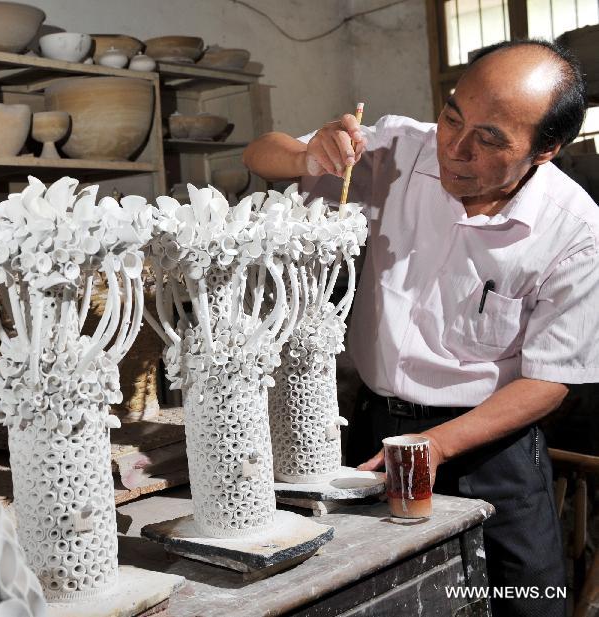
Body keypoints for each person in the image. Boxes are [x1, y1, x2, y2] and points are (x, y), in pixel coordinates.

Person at [243, 39, 598, 617]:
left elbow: (551, 379)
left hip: (489, 448)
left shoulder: (576, 232)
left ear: (546, 150)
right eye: (452, 116)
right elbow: (261, 153)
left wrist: (437, 446)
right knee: (372, 594)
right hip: (373, 430)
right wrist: (314, 156)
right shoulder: (398, 149)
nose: (455, 149)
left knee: (524, 600)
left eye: (490, 139)